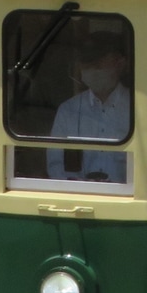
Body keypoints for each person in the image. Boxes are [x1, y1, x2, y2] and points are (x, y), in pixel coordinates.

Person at [47, 34, 130, 184]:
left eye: (99, 65)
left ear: (120, 63)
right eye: (87, 66)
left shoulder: (140, 109)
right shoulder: (67, 110)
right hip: (80, 197)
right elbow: (56, 164)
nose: (92, 70)